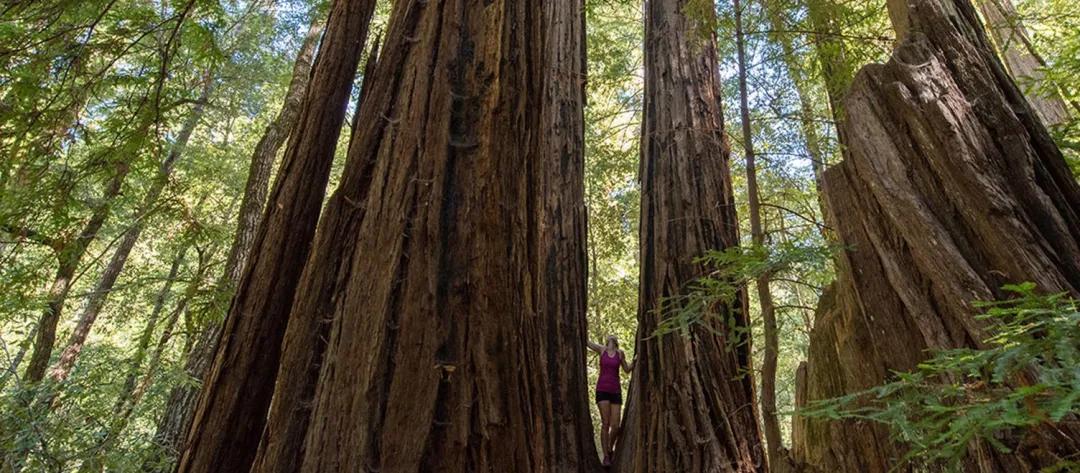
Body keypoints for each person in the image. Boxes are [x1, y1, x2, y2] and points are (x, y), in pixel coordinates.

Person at [587, 335, 634, 466]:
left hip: (615, 391)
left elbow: (626, 370)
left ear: (616, 341)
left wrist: (635, 360)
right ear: (607, 341)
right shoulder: (602, 350)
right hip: (602, 390)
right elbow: (588, 343)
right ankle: (606, 457)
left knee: (616, 425)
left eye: (613, 338)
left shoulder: (620, 353)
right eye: (609, 338)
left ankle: (609, 447)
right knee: (605, 423)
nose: (611, 338)